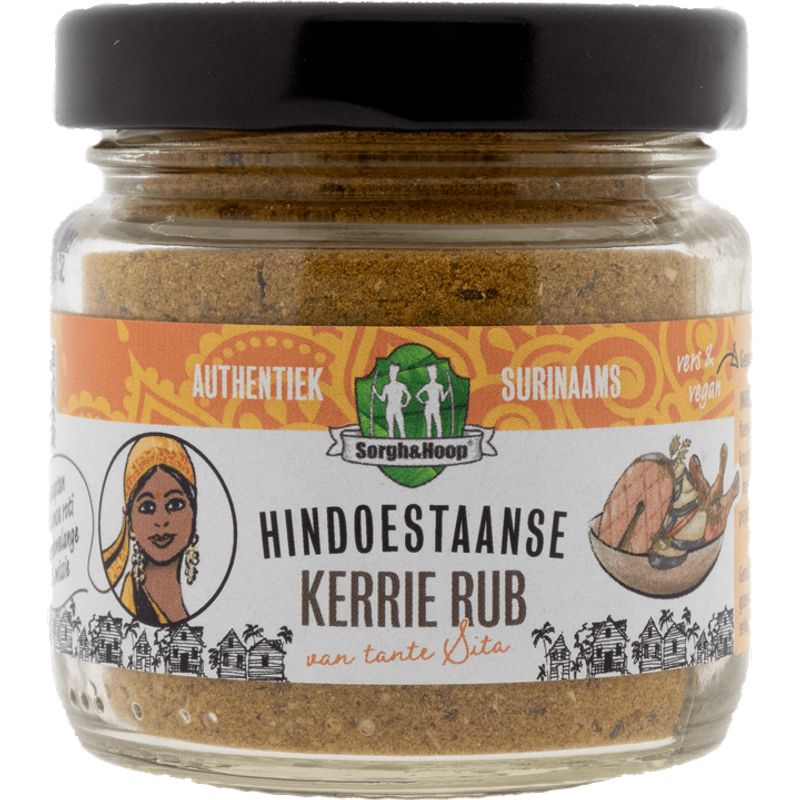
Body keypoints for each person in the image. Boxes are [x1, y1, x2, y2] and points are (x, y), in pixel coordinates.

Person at [102, 435, 199, 625]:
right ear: (130, 521)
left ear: (193, 512)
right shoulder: (132, 602)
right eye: (147, 507)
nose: (161, 520)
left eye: (175, 504)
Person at [373, 363, 411, 438]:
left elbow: (408, 395)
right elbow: (383, 399)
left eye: (393, 373)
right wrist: (375, 392)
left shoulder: (401, 385)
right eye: (390, 373)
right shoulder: (386, 387)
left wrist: (405, 404)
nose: (391, 375)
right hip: (389, 409)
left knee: (401, 429)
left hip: (398, 408)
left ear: (396, 374)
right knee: (390, 428)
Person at [416, 364, 451, 438]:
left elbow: (442, 399)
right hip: (428, 407)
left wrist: (448, 391)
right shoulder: (427, 386)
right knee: (429, 426)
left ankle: (440, 440)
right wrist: (423, 402)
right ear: (429, 374)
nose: (434, 374)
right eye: (432, 373)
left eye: (435, 372)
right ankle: (429, 440)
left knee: (438, 425)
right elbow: (417, 395)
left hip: (436, 407)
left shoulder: (439, 386)